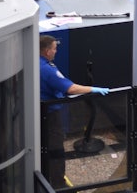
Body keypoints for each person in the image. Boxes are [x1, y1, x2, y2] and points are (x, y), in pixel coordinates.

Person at [39, 35, 110, 189]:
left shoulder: (35, 62)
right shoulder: (46, 69)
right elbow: (71, 88)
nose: (55, 51)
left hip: (38, 115)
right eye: (54, 49)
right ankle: (58, 185)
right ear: (46, 51)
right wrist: (93, 89)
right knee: (55, 149)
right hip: (49, 116)